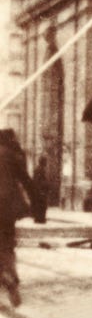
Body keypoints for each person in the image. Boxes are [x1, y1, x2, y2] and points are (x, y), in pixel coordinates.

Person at [0, 129, 39, 308]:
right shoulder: (12, 155)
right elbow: (26, 180)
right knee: (7, 244)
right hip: (7, 209)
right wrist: (37, 202)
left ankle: (4, 275)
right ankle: (10, 277)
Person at [31, 155, 50, 224]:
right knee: (42, 205)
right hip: (41, 190)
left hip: (38, 190)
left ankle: (38, 218)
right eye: (45, 162)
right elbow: (40, 181)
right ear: (43, 162)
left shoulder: (37, 169)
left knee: (39, 205)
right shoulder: (41, 170)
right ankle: (40, 218)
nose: (46, 163)